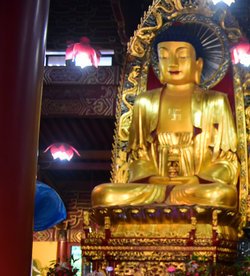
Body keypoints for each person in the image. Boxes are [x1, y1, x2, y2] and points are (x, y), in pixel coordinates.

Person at [92, 24, 239, 207]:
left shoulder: (215, 101)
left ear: (198, 64)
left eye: (182, 56)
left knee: (221, 194)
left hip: (196, 188)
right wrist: (153, 178)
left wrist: (197, 179)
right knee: (103, 194)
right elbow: (137, 158)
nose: (173, 63)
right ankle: (168, 200)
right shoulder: (145, 102)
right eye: (164, 56)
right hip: (154, 188)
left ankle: (171, 200)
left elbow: (227, 162)